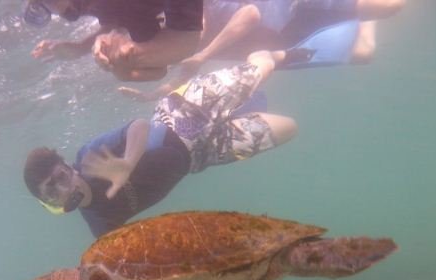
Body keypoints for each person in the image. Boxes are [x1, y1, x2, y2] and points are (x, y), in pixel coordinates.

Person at [22, 50, 298, 237]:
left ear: (69, 168)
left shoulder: (90, 158)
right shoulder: (101, 225)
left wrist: (127, 164)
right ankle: (243, 109)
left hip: (184, 112)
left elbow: (139, 126)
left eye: (61, 175)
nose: (65, 186)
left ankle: (265, 55)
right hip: (202, 155)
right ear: (48, 203)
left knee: (266, 66)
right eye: (52, 189)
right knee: (289, 128)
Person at [117, 0, 404, 99]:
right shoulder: (180, 41)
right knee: (364, 52)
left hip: (289, 7)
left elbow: (251, 14)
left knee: (390, 6)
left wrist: (203, 56)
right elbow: (183, 71)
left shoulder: (195, 10)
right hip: (282, 39)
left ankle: (363, 15)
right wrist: (152, 95)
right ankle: (362, 20)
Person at [25, 0, 204, 81]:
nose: (54, 6)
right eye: (43, 5)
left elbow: (186, 40)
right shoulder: (82, 5)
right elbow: (159, 70)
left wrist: (127, 61)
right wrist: (80, 48)